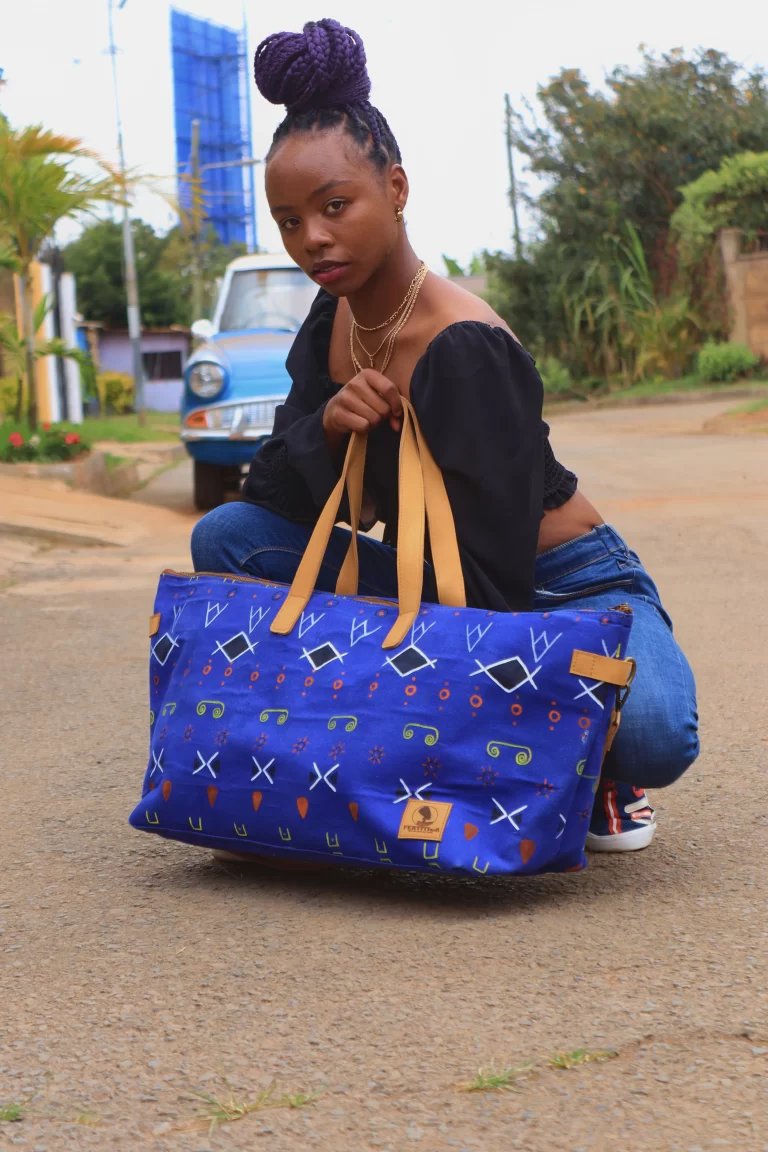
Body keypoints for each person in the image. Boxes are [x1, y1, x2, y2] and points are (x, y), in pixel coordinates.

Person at [192, 17, 699, 852]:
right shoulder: (330, 321)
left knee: (653, 731)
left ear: (396, 189)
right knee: (227, 536)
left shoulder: (464, 343)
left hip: (559, 586)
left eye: (335, 206)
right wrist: (329, 425)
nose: (312, 237)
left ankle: (591, 767)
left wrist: (427, 691)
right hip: (433, 577)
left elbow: (492, 577)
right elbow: (271, 501)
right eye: (288, 221)